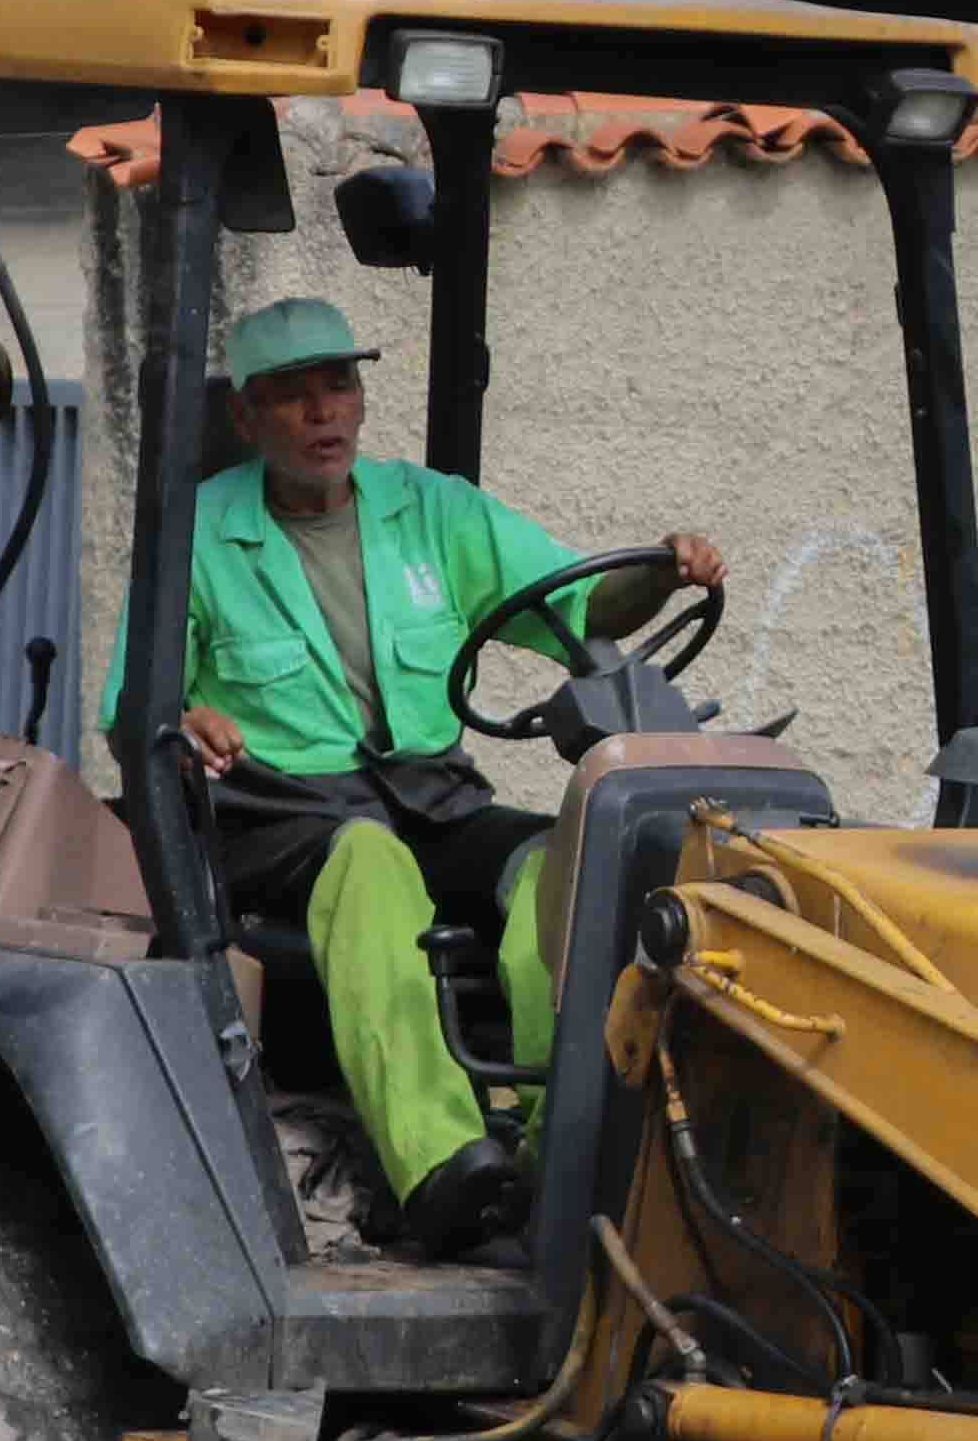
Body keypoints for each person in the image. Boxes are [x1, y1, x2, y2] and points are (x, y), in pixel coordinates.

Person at [150, 295, 720, 1258]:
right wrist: (187, 717)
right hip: (283, 815)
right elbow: (140, 700)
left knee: (558, 857)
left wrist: (665, 573)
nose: (323, 411)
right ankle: (445, 1168)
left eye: (339, 385)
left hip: (428, 795)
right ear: (245, 419)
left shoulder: (432, 511)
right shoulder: (197, 534)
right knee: (371, 865)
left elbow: (582, 604)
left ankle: (562, 1147)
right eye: (291, 396)